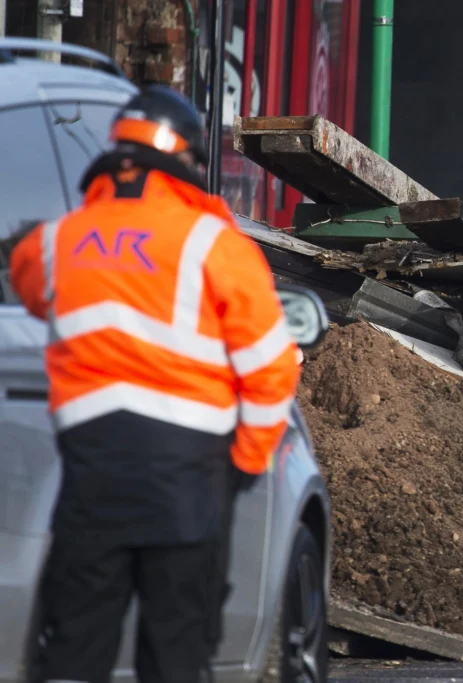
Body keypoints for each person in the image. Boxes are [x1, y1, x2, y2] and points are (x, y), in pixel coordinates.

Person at [8, 85, 300, 683]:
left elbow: (28, 279)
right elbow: (273, 368)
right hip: (189, 488)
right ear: (188, 163)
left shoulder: (60, 243)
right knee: (175, 656)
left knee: (73, 653)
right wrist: (243, 466)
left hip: (91, 484)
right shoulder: (216, 246)